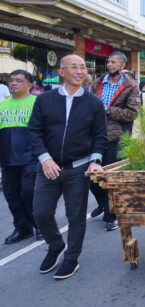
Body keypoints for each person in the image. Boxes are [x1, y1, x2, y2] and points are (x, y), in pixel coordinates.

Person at [29, 54, 107, 279]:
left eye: (83, 67)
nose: (80, 71)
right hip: (48, 166)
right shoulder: (44, 100)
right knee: (41, 212)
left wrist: (95, 160)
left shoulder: (94, 103)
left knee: (76, 216)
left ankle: (71, 258)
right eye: (74, 67)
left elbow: (100, 136)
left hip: (78, 168)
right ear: (61, 72)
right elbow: (34, 131)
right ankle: (55, 245)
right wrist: (45, 158)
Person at [89, 51, 140, 231]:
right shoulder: (96, 83)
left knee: (110, 178)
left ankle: (112, 216)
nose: (109, 65)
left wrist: (108, 110)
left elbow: (132, 113)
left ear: (122, 66)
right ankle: (104, 204)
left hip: (115, 137)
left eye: (113, 62)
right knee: (90, 178)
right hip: (93, 136)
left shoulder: (131, 86)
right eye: (108, 61)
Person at [0, 70, 41, 244]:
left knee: (28, 192)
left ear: (29, 85)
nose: (13, 83)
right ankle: (22, 228)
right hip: (8, 158)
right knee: (11, 195)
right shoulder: (3, 105)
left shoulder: (37, 102)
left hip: (30, 156)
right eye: (11, 80)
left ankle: (39, 225)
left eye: (18, 80)